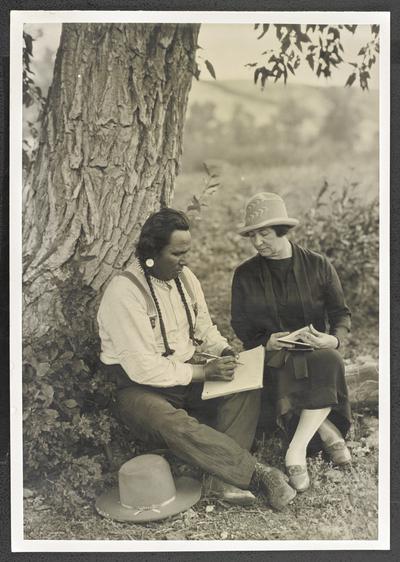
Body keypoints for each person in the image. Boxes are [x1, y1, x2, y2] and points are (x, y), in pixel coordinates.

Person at [97, 207, 296, 510]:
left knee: (245, 386)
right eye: (177, 254)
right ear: (151, 253)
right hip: (138, 388)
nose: (184, 260)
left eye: (186, 252)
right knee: (170, 422)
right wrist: (203, 373)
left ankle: (221, 480)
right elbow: (143, 368)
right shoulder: (124, 292)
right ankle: (255, 474)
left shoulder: (185, 278)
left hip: (188, 374)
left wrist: (225, 352)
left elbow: (205, 329)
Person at [231, 192, 352, 493]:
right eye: (253, 235)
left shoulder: (318, 265)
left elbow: (341, 314)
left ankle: (295, 450)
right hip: (272, 357)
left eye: (265, 234)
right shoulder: (245, 275)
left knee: (330, 360)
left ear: (282, 232)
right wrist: (266, 342)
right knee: (285, 368)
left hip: (315, 351)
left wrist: (333, 339)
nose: (258, 242)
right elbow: (240, 324)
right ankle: (327, 430)